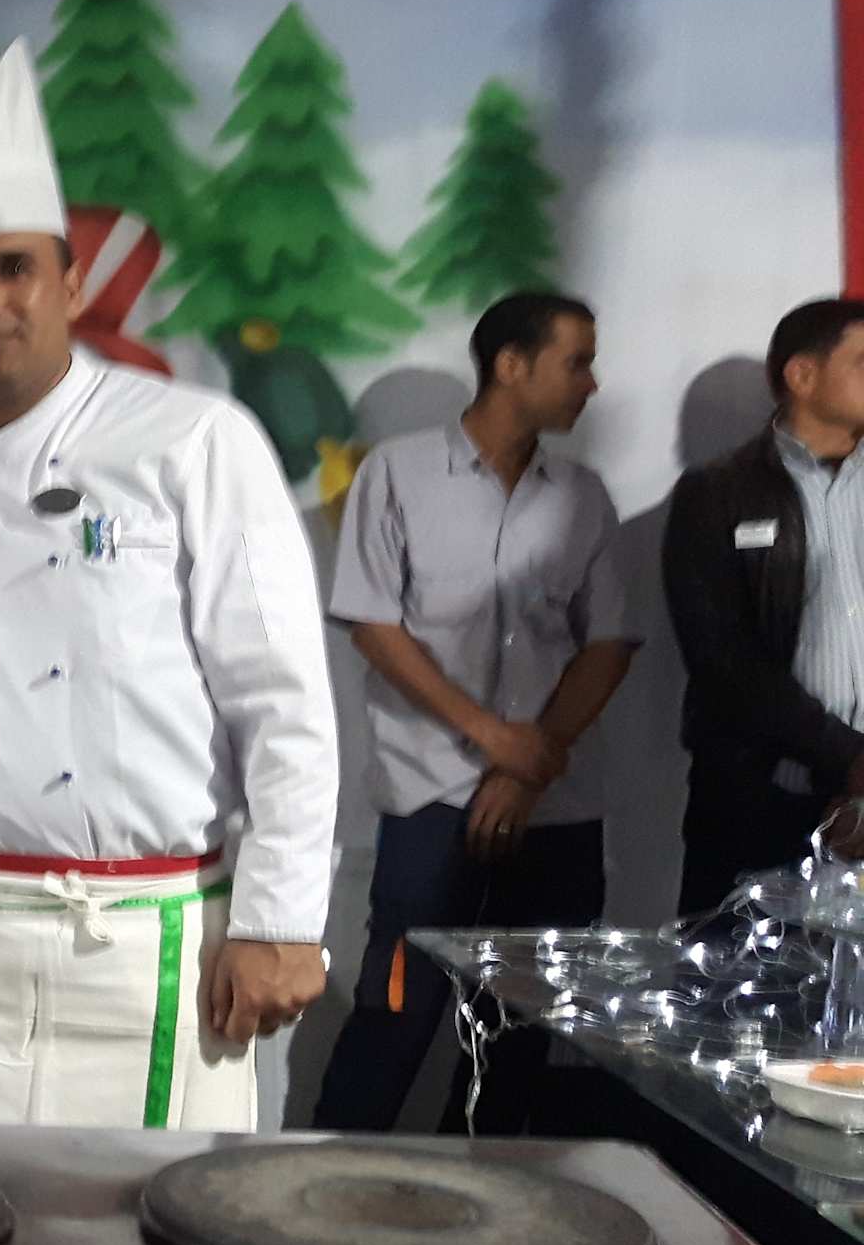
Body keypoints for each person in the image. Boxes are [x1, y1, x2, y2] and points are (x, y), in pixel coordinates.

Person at [0, 44, 338, 1131]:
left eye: (13, 268)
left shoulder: (194, 439)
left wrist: (279, 918)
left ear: (71, 283)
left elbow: (283, 700)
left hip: (150, 937)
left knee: (151, 1227)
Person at [311, 292, 636, 1134]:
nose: (592, 384)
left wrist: (528, 767)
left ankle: (485, 1198)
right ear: (511, 365)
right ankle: (324, 1186)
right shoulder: (397, 473)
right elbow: (374, 625)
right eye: (577, 362)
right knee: (393, 1020)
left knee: (518, 1039)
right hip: (433, 797)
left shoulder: (583, 495)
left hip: (556, 807)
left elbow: (609, 643)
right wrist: (495, 741)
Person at [665, 297, 864, 912]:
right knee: (737, 970)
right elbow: (724, 660)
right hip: (759, 798)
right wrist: (849, 760)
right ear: (802, 375)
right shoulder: (716, 493)